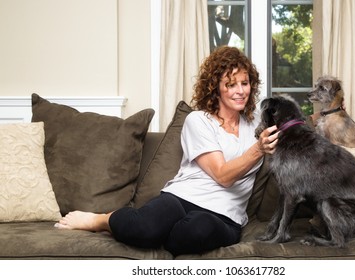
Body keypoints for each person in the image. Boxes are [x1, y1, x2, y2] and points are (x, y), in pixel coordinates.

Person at [54, 46, 279, 256]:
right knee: (144, 228)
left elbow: (294, 130)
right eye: (231, 84)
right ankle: (101, 221)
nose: (240, 91)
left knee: (195, 232)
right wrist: (258, 148)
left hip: (225, 216)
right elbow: (222, 175)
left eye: (245, 83)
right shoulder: (198, 121)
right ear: (216, 88)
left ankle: (162, 236)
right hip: (181, 198)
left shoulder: (257, 126)